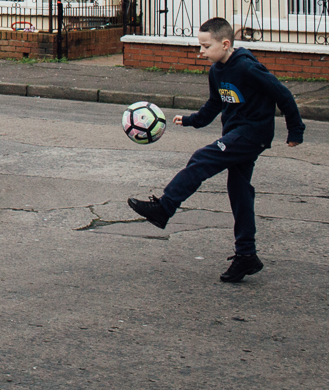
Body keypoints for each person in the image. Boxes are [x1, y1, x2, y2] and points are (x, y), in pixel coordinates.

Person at [128, 16, 305, 282]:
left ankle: (164, 207)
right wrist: (191, 120)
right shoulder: (217, 71)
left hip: (252, 133)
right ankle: (246, 255)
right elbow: (214, 105)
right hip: (235, 133)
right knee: (239, 190)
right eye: (199, 46)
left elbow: (283, 94)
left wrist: (295, 130)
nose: (201, 52)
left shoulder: (247, 68)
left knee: (202, 157)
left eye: (206, 46)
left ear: (225, 44)